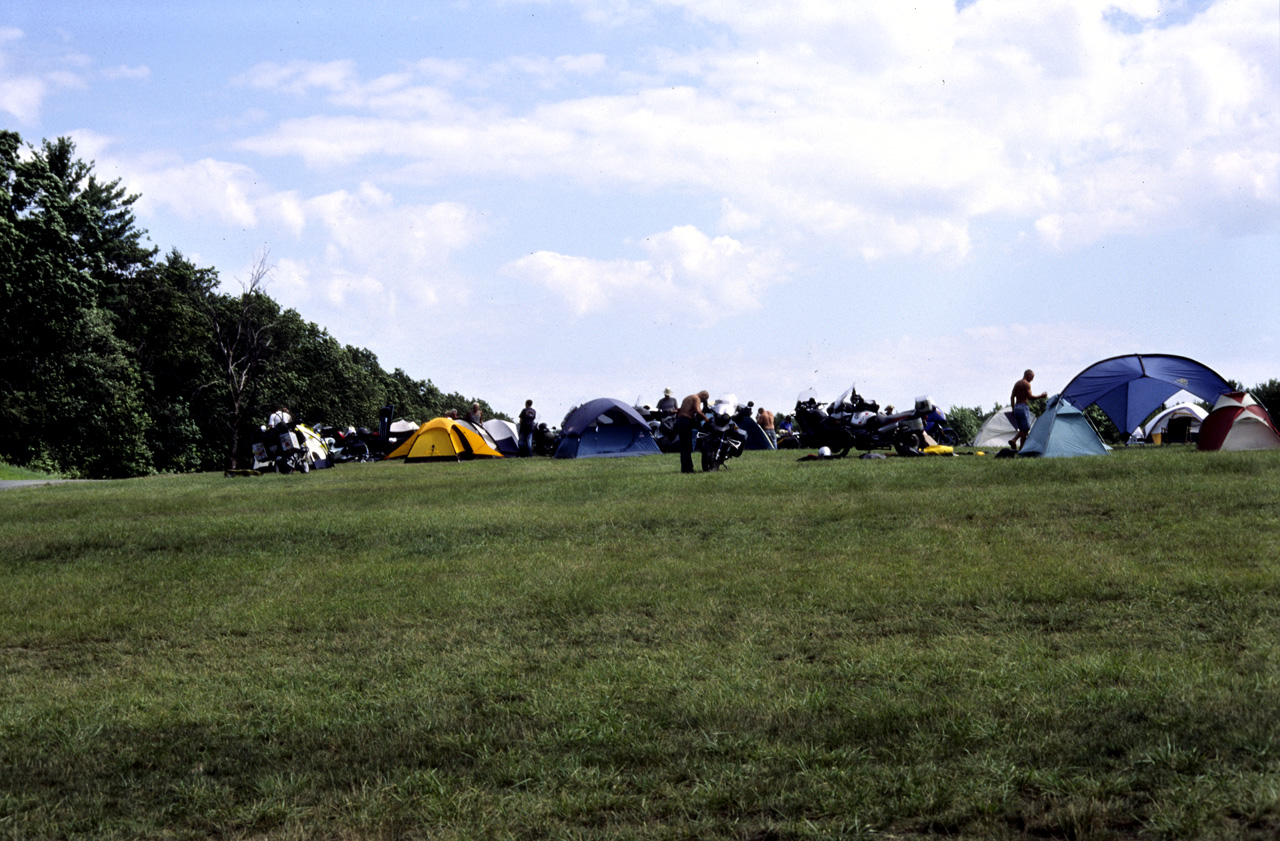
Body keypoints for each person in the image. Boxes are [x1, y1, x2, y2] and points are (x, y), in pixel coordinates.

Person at [1010, 369, 1048, 451]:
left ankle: (1021, 449)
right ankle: (1014, 440)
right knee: (1026, 429)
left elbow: (1012, 396)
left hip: (1016, 407)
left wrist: (1013, 409)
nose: (1032, 379)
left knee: (1023, 430)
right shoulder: (1026, 384)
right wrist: (1041, 396)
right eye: (1032, 377)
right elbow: (1030, 397)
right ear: (1028, 375)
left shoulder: (1017, 383)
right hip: (1023, 407)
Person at [676, 390, 709, 473]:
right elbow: (698, 411)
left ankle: (685, 468)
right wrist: (706, 418)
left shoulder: (688, 397)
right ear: (703, 396)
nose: (702, 402)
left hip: (680, 421)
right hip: (686, 421)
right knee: (687, 446)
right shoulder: (696, 398)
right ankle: (688, 469)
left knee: (684, 447)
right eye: (704, 400)